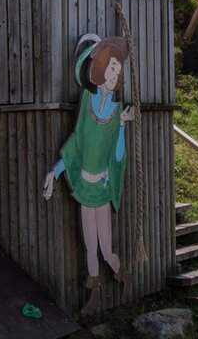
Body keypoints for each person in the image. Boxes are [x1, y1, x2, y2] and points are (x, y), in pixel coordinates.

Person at [43, 35, 136, 315]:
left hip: (102, 190)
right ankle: (93, 297)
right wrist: (54, 172)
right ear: (100, 67)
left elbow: (117, 156)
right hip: (85, 186)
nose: (114, 75)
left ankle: (123, 276)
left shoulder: (117, 112)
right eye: (111, 68)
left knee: (106, 249)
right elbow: (76, 143)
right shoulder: (86, 101)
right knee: (89, 247)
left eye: (118, 71)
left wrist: (122, 127)